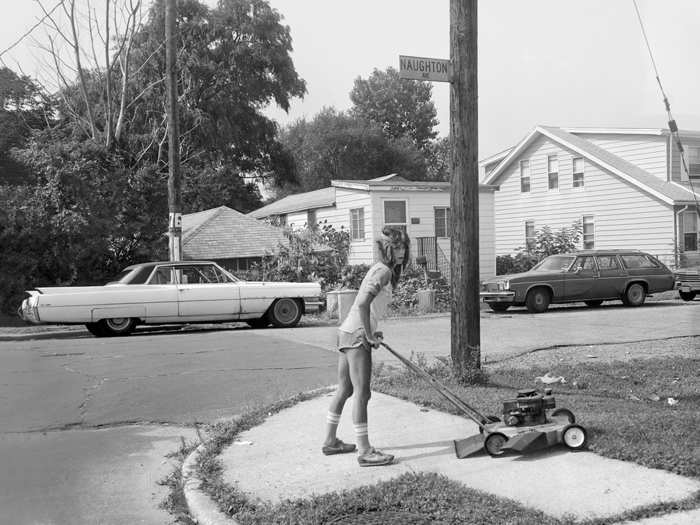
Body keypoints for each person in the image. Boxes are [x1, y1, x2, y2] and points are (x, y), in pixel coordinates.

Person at [322, 226, 410, 467]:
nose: (401, 252)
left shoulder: (380, 270)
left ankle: (330, 441)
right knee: (363, 392)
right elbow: (361, 303)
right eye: (396, 247)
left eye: (403, 246)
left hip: (347, 332)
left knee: (346, 390)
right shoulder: (383, 271)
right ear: (386, 248)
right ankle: (365, 451)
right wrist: (369, 335)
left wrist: (372, 329)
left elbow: (366, 309)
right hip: (357, 336)